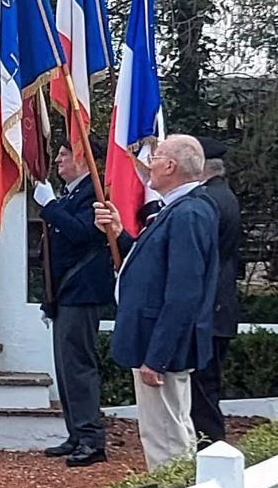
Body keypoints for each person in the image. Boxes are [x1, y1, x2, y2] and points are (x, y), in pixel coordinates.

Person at [94, 134, 221, 470]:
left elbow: (183, 293)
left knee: (165, 437)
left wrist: (157, 356)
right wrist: (120, 233)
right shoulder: (177, 210)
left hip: (160, 346)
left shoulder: (188, 214)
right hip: (155, 341)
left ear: (170, 166)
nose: (149, 163)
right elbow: (152, 265)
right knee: (168, 431)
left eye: (157, 156)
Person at [32, 140, 117, 467]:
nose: (59, 160)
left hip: (83, 291)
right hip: (66, 292)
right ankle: (77, 433)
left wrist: (50, 206)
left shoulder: (94, 193)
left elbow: (82, 233)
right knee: (65, 367)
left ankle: (92, 438)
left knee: (79, 366)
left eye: (65, 154)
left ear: (85, 159)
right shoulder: (72, 195)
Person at [191, 137, 243, 445]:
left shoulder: (209, 201)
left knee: (203, 387)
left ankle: (211, 446)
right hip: (217, 306)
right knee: (204, 385)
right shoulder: (222, 196)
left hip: (210, 308)